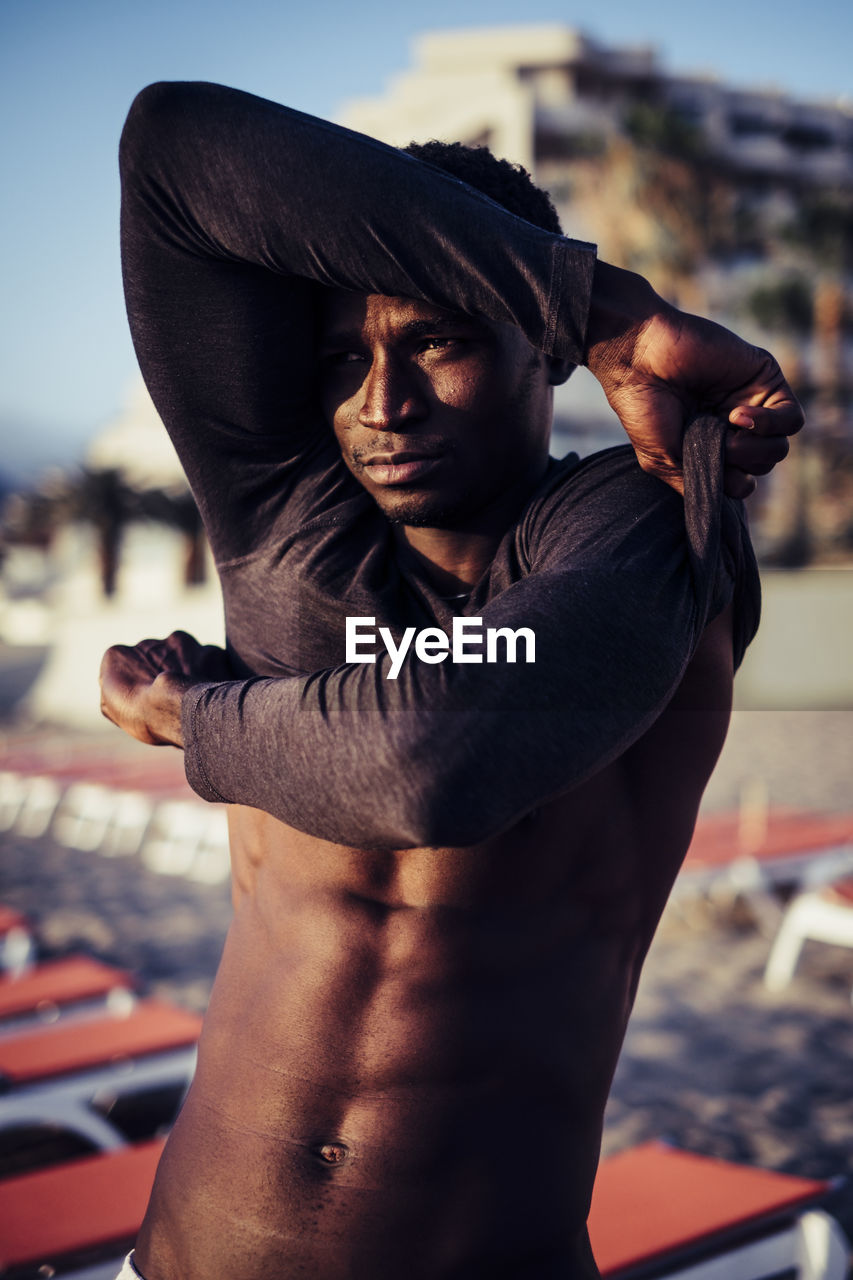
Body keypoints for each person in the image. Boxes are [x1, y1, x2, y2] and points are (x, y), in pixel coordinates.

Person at [100, 82, 802, 1280]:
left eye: (437, 338)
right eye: (343, 356)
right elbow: (169, 147)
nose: (383, 402)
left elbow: (434, 760)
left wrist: (191, 716)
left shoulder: (648, 529)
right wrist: (607, 307)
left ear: (538, 346)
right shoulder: (284, 525)